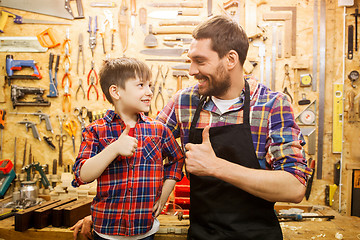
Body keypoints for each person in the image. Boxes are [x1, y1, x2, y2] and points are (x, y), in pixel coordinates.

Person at [71, 15, 312, 240]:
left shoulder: (272, 105)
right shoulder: (184, 102)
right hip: (202, 235)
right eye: (190, 61)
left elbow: (294, 188)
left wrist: (217, 167)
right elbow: (141, 155)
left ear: (230, 59)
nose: (192, 71)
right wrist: (111, 213)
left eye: (200, 61)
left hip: (257, 235)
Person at [71, 57, 184, 240]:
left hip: (145, 230)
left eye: (150, 85)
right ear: (115, 91)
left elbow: (177, 160)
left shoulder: (158, 130)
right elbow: (81, 175)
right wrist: (114, 148)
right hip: (106, 231)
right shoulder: (95, 131)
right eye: (140, 85)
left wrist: (164, 196)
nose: (149, 92)